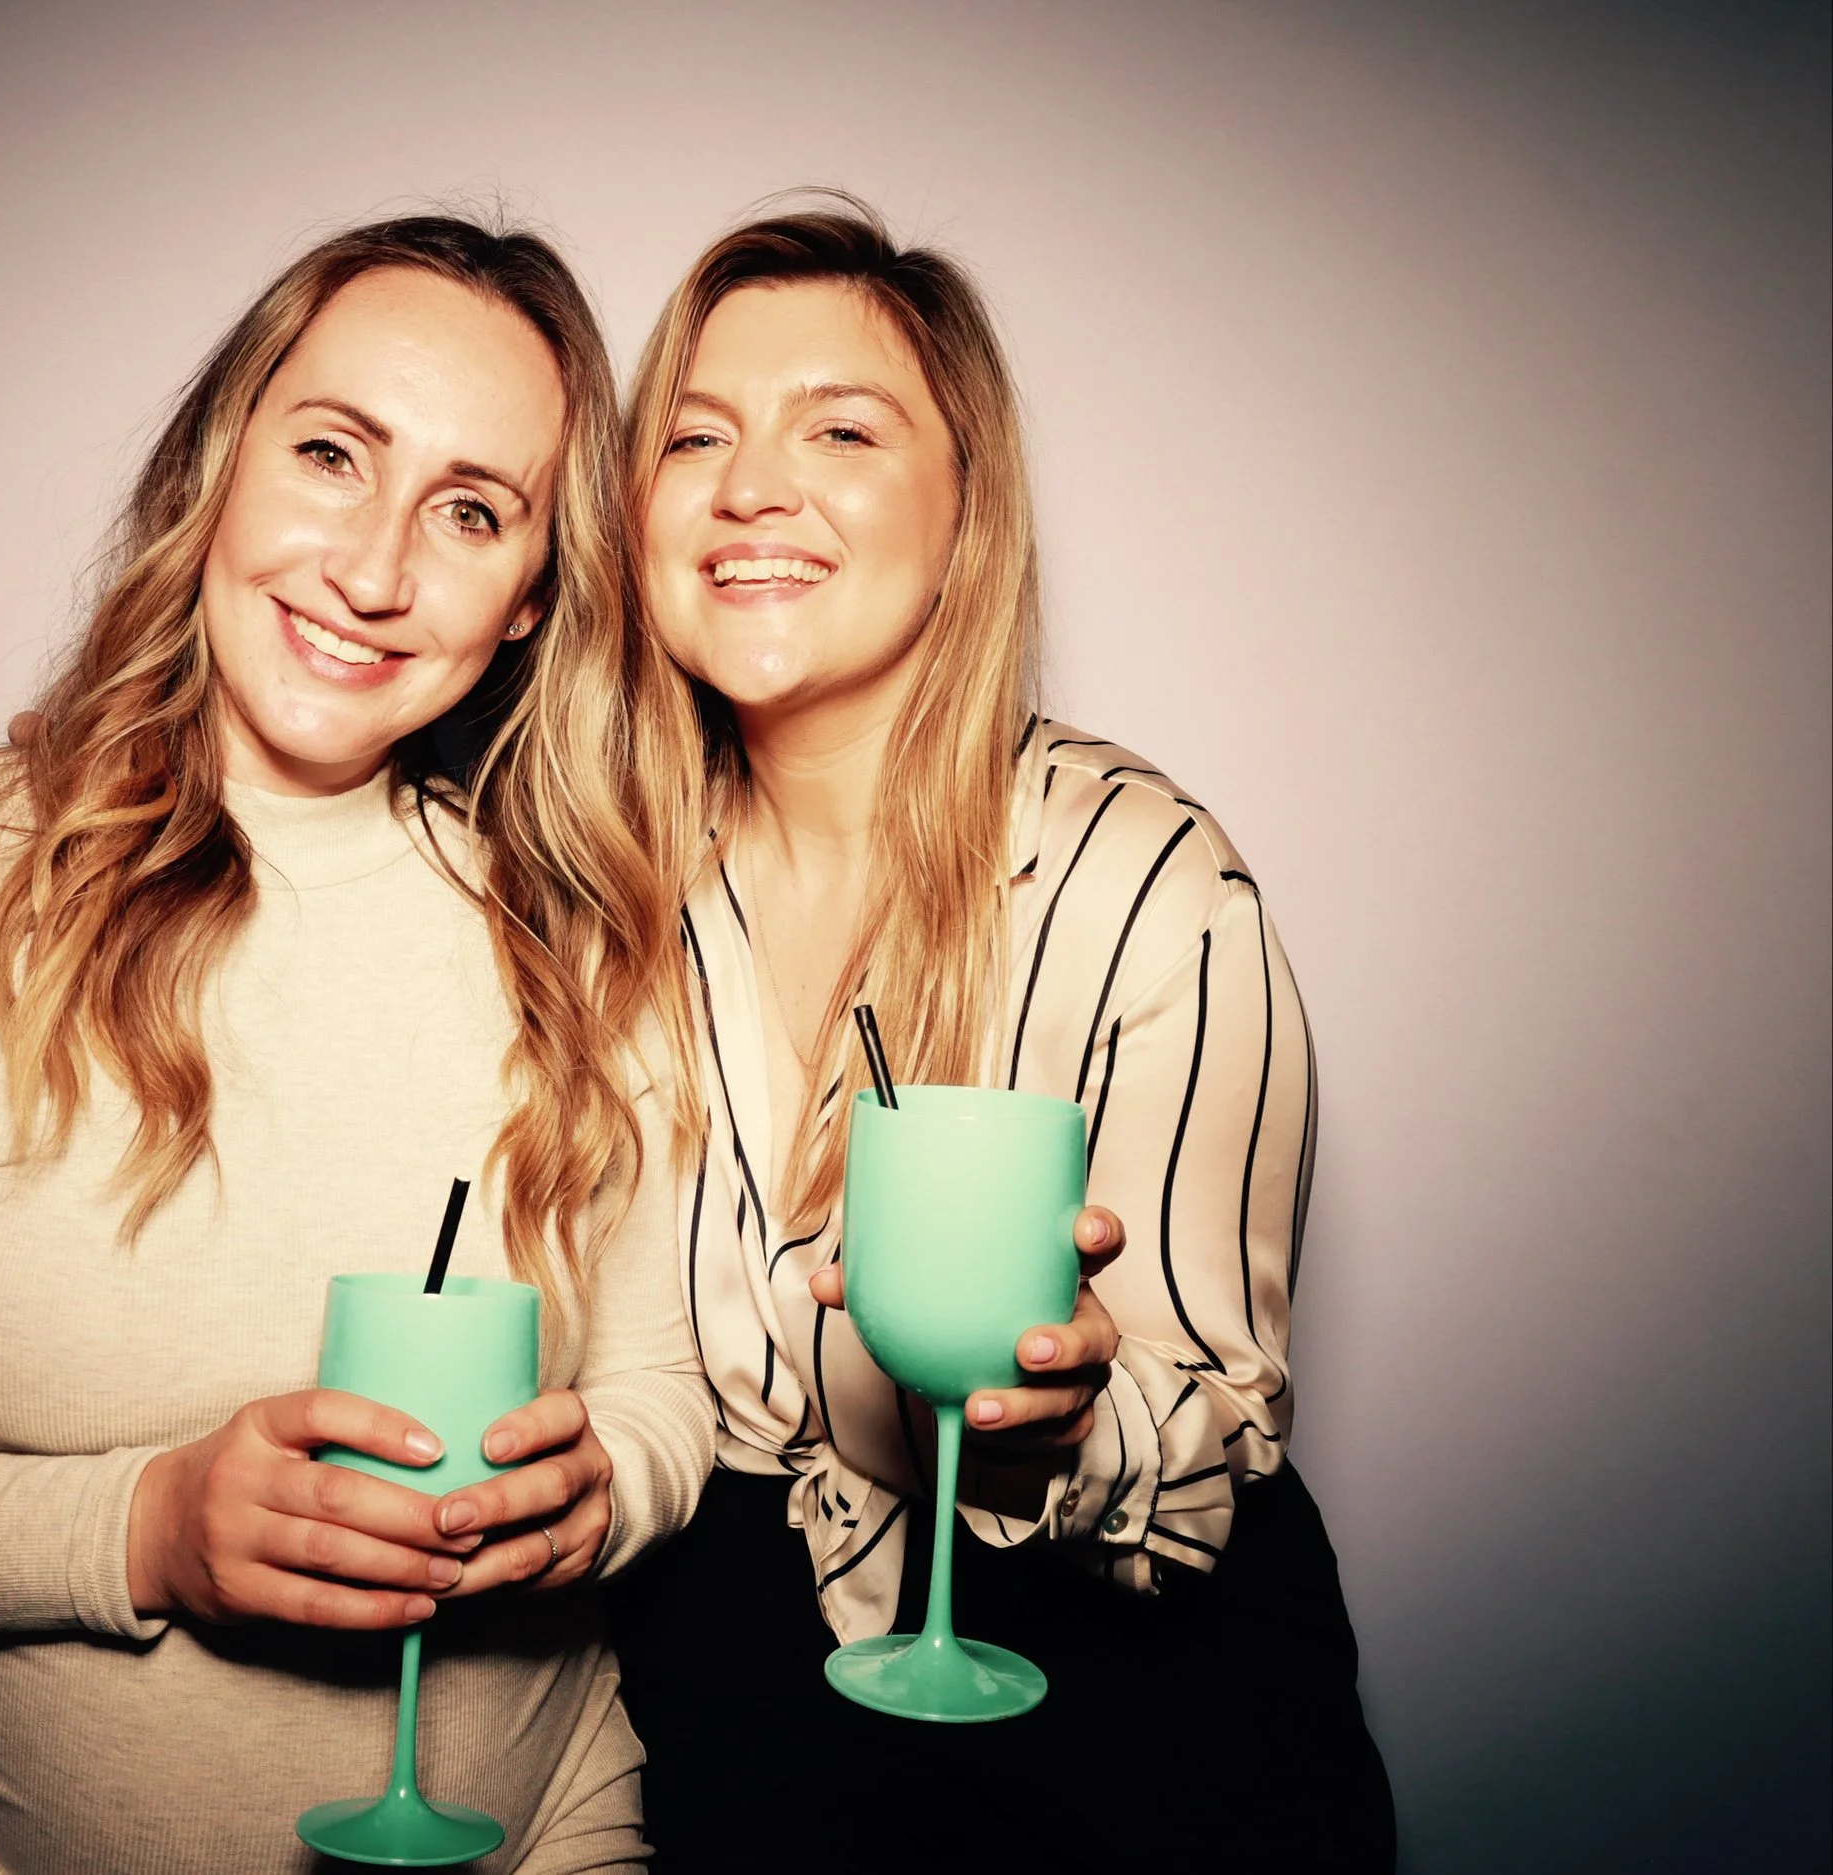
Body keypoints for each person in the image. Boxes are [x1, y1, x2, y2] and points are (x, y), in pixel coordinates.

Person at [0, 216, 713, 1873]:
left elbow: (656, 1388)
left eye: (470, 510)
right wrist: (144, 1529)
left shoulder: (586, 934)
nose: (376, 567)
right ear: (220, 462)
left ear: (535, 596)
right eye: (333, 453)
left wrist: (606, 1487)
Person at [601, 203, 1396, 1870]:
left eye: (840, 428)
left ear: (965, 514)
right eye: (695, 435)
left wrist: (1068, 1409)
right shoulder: (594, 890)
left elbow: (1211, 1455)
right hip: (735, 1702)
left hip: (1123, 1725)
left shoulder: (1143, 876)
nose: (752, 486)